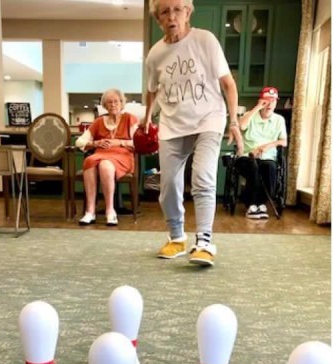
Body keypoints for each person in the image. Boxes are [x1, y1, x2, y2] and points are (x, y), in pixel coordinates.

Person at [143, 0, 243, 267]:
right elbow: (152, 89)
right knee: (167, 186)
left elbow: (228, 84)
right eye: (165, 11)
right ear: (158, 19)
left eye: (178, 9)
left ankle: (204, 242)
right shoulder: (155, 54)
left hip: (209, 118)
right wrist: (147, 116)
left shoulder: (205, 40)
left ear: (187, 12)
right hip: (172, 123)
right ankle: (177, 237)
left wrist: (234, 122)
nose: (172, 16)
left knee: (202, 178)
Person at [76, 88, 138, 226]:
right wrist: (95, 143)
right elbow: (79, 142)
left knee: (105, 164)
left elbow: (137, 143)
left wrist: (120, 142)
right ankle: (90, 211)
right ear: (104, 105)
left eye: (116, 101)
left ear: (121, 103)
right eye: (109, 102)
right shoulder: (99, 121)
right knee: (89, 161)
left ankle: (110, 210)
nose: (113, 104)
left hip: (122, 156)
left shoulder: (129, 119)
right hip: (101, 154)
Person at [236, 86, 288, 220]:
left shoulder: (279, 120)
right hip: (247, 157)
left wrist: (267, 146)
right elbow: (241, 126)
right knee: (253, 167)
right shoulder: (250, 115)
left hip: (267, 157)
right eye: (266, 101)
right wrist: (257, 108)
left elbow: (284, 141)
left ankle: (261, 204)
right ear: (260, 101)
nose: (269, 104)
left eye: (273, 101)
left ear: (276, 103)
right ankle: (251, 205)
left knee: (270, 167)